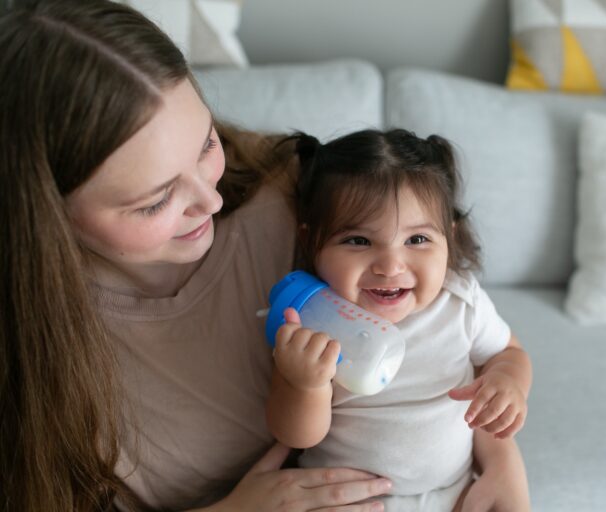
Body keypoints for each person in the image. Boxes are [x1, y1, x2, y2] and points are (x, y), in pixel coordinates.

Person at [0, 1, 530, 511]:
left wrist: (500, 457)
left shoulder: (289, 191)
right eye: (155, 200)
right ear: (41, 213)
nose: (211, 201)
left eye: (206, 145)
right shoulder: (35, 351)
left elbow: (449, 339)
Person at [266, 129, 533, 510]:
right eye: (358, 241)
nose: (390, 266)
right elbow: (295, 436)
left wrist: (508, 381)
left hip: (453, 492)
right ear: (311, 242)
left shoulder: (461, 302)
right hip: (350, 500)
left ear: (449, 238)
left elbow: (508, 352)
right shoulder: (312, 321)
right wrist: (305, 385)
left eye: (417, 240)